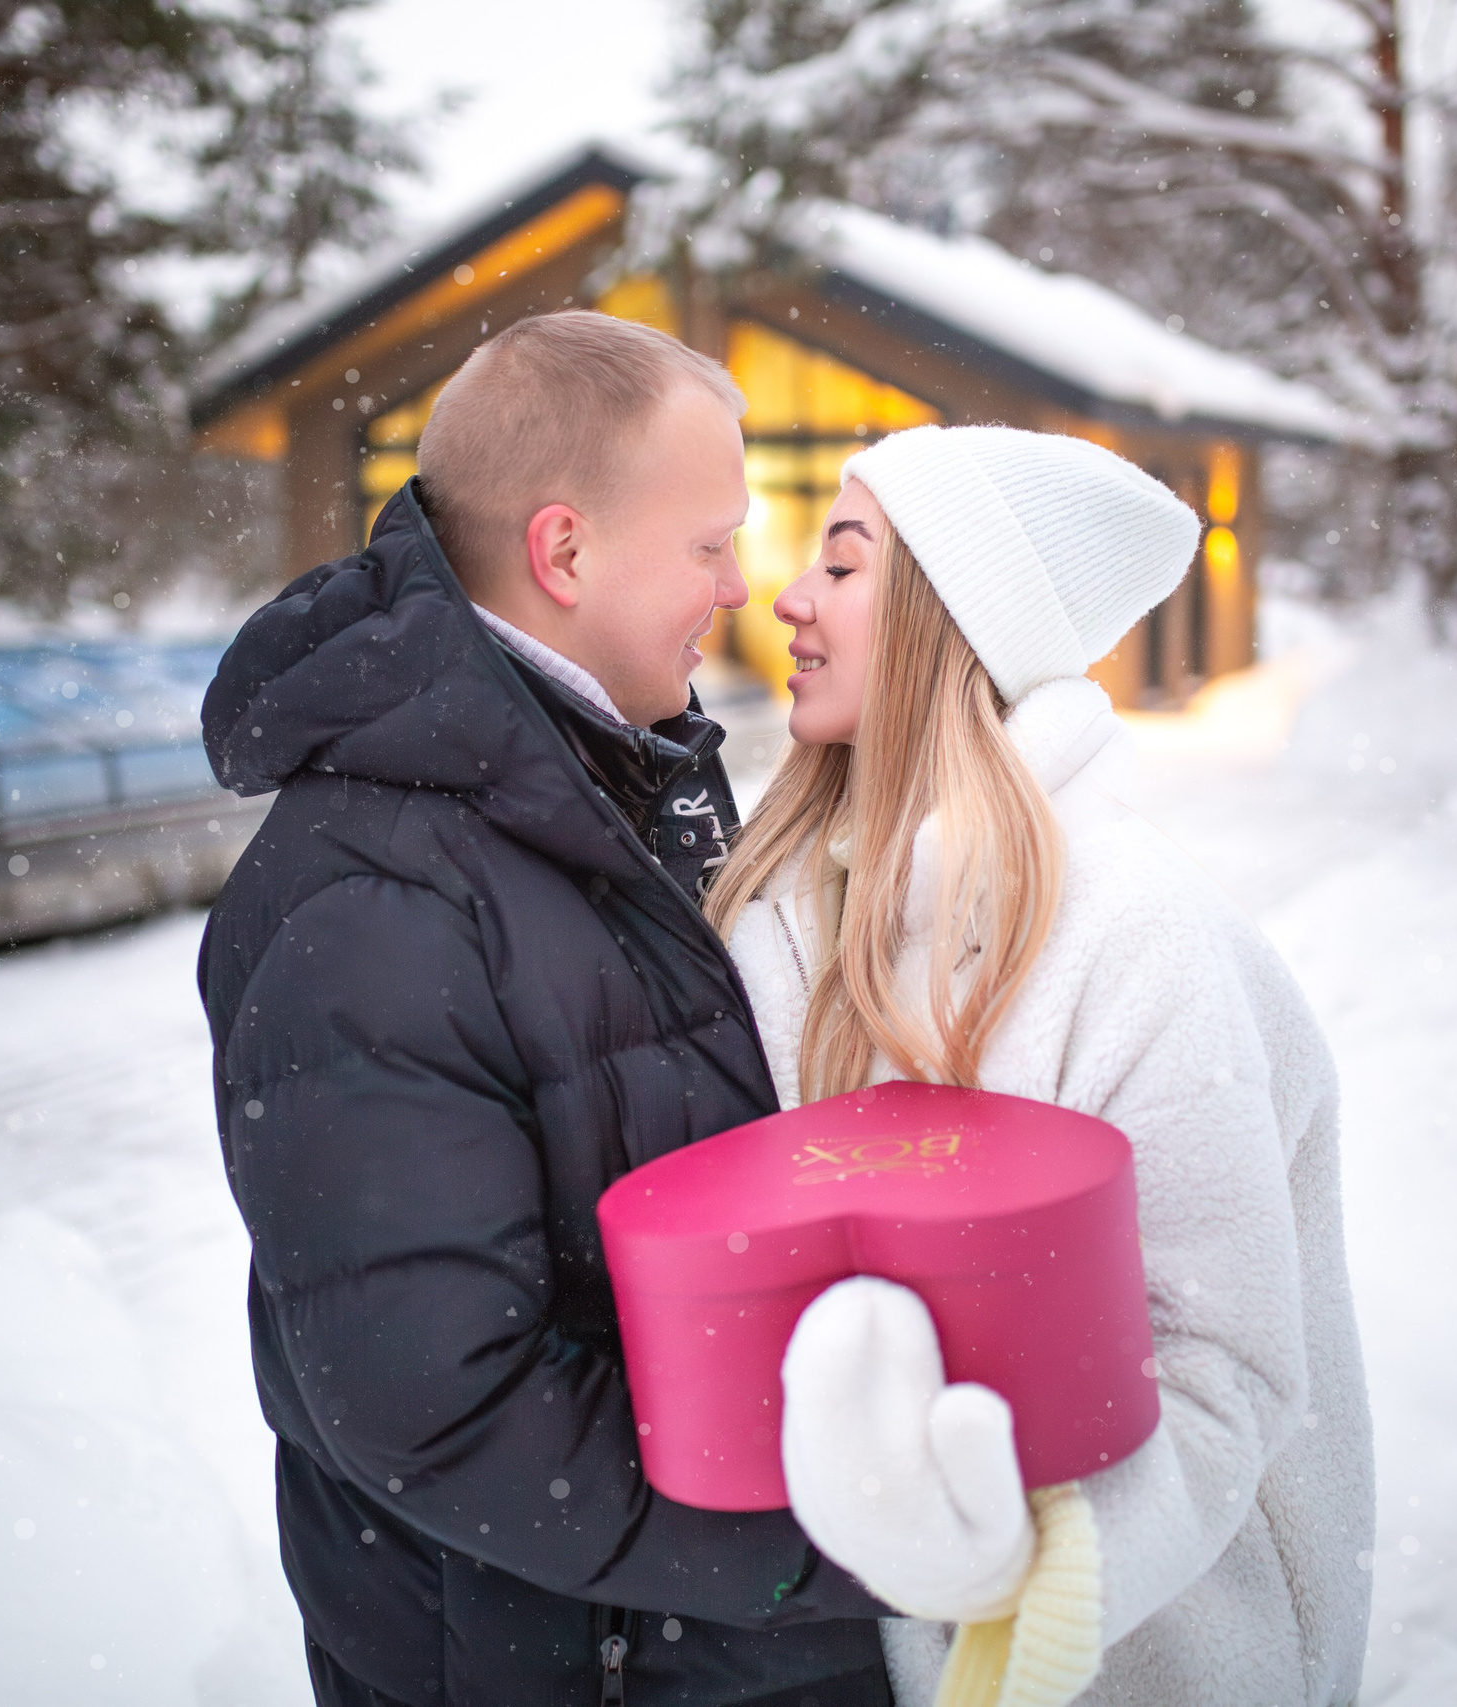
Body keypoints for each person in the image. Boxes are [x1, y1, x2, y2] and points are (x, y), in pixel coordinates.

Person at [198, 312, 893, 1706]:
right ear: (565, 551)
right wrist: (835, 1550)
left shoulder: (609, 786)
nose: (746, 586)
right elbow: (443, 1408)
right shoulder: (372, 898)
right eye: (711, 543)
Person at [706, 425, 1375, 1707]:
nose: (786, 596)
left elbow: (1225, 1363)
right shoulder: (781, 912)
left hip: (1163, 1665)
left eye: (843, 568)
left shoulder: (1134, 935)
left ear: (951, 620)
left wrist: (1022, 1561)